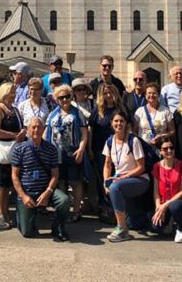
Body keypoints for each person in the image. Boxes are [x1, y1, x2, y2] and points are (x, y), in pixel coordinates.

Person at [11, 117, 71, 241]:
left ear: (44, 129)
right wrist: (23, 196)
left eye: (39, 127)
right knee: (27, 232)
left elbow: (55, 174)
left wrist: (48, 192)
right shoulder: (19, 149)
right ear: (27, 129)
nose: (36, 130)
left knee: (64, 200)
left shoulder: (51, 149)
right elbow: (15, 175)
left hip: (45, 190)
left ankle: (58, 227)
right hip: (27, 192)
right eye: (33, 127)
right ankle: (23, 216)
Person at [103, 110, 150, 242]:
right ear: (111, 123)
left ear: (126, 124)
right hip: (120, 180)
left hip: (139, 179)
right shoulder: (109, 141)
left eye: (122, 121)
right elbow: (107, 165)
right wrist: (105, 181)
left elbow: (141, 167)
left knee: (115, 187)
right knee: (112, 186)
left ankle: (122, 229)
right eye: (116, 121)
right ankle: (123, 225)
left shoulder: (133, 140)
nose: (119, 124)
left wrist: (124, 177)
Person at [45, 84, 89, 223]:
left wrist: (81, 148)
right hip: (56, 154)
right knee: (61, 182)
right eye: (61, 97)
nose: (64, 100)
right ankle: (63, 210)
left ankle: (76, 211)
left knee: (75, 182)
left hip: (72, 152)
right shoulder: (53, 114)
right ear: (57, 99)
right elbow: (47, 132)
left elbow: (84, 133)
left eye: (67, 96)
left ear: (71, 97)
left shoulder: (77, 113)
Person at [0, 82, 27, 229]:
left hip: (13, 151)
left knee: (7, 185)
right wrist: (14, 135)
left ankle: (6, 213)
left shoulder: (15, 110)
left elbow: (20, 126)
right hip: (1, 152)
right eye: (11, 92)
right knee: (0, 185)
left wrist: (22, 131)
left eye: (14, 92)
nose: (14, 94)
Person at [88, 82, 126, 218]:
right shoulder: (98, 110)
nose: (108, 95)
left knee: (117, 177)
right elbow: (91, 129)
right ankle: (105, 206)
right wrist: (90, 148)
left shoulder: (121, 109)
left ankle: (117, 206)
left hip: (118, 150)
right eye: (105, 93)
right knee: (103, 179)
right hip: (99, 149)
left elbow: (127, 127)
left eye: (110, 93)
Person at [151, 137, 182, 242]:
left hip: (178, 201)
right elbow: (156, 191)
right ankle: (169, 222)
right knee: (156, 227)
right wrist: (158, 207)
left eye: (171, 148)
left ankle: (181, 228)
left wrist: (165, 205)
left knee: (175, 206)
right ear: (160, 151)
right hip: (163, 202)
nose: (169, 151)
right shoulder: (157, 166)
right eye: (165, 149)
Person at [133, 83, 175, 148]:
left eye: (154, 93)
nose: (151, 95)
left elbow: (172, 131)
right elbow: (134, 130)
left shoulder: (166, 111)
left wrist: (161, 136)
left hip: (161, 147)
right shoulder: (140, 111)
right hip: (143, 147)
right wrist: (139, 142)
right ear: (145, 95)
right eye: (149, 93)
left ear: (158, 95)